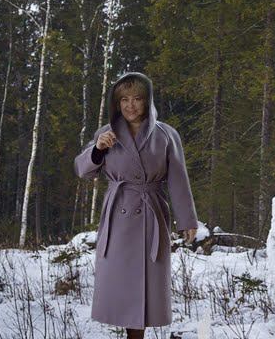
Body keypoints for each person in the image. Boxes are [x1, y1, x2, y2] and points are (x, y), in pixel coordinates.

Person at [74, 71, 199, 338]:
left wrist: (187, 219)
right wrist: (97, 150)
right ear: (117, 104)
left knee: (146, 287)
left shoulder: (166, 135)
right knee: (121, 287)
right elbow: (82, 170)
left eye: (138, 98)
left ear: (148, 101)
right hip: (118, 219)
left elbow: (178, 179)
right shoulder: (105, 134)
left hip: (151, 215)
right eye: (124, 100)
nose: (131, 105)